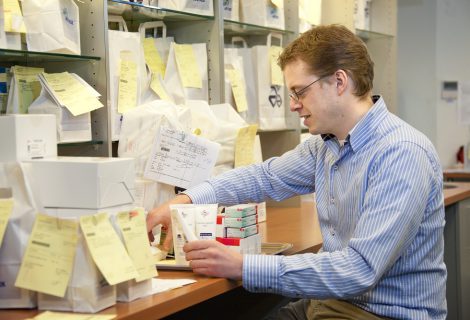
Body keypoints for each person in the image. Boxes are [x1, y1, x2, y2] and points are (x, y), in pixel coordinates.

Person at [146, 24, 447, 319]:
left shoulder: (402, 153)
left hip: (384, 313)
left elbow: (359, 270)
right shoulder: (326, 146)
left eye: (299, 92)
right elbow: (263, 177)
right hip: (331, 303)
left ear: (339, 82)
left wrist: (242, 266)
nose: (293, 105)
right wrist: (186, 200)